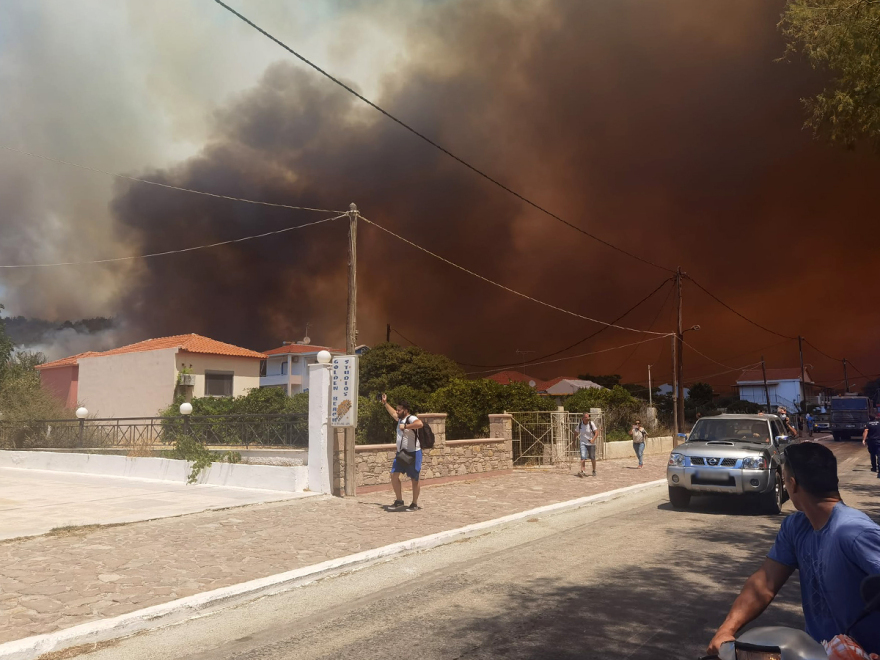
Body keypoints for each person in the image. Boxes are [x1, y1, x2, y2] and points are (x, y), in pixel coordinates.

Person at [707, 442, 880, 656]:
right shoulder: (796, 527)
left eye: (784, 479)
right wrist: (727, 629)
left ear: (793, 484)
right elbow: (765, 583)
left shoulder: (854, 532)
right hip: (818, 653)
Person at [382, 394, 424, 511]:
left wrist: (405, 426)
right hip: (401, 454)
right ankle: (399, 500)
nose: (397, 411)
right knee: (393, 475)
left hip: (413, 453)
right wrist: (385, 403)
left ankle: (414, 503)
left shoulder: (410, 418)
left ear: (405, 410)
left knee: (414, 479)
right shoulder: (400, 418)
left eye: (399, 410)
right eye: (397, 409)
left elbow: (420, 424)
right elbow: (392, 413)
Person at [577, 412, 598, 478]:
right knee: (583, 457)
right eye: (586, 417)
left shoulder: (591, 424)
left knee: (592, 458)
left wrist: (593, 439)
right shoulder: (580, 425)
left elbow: (597, 432)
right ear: (583, 418)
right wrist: (574, 441)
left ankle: (594, 470)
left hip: (591, 443)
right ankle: (583, 471)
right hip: (583, 442)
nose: (587, 418)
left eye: (588, 417)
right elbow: (575, 432)